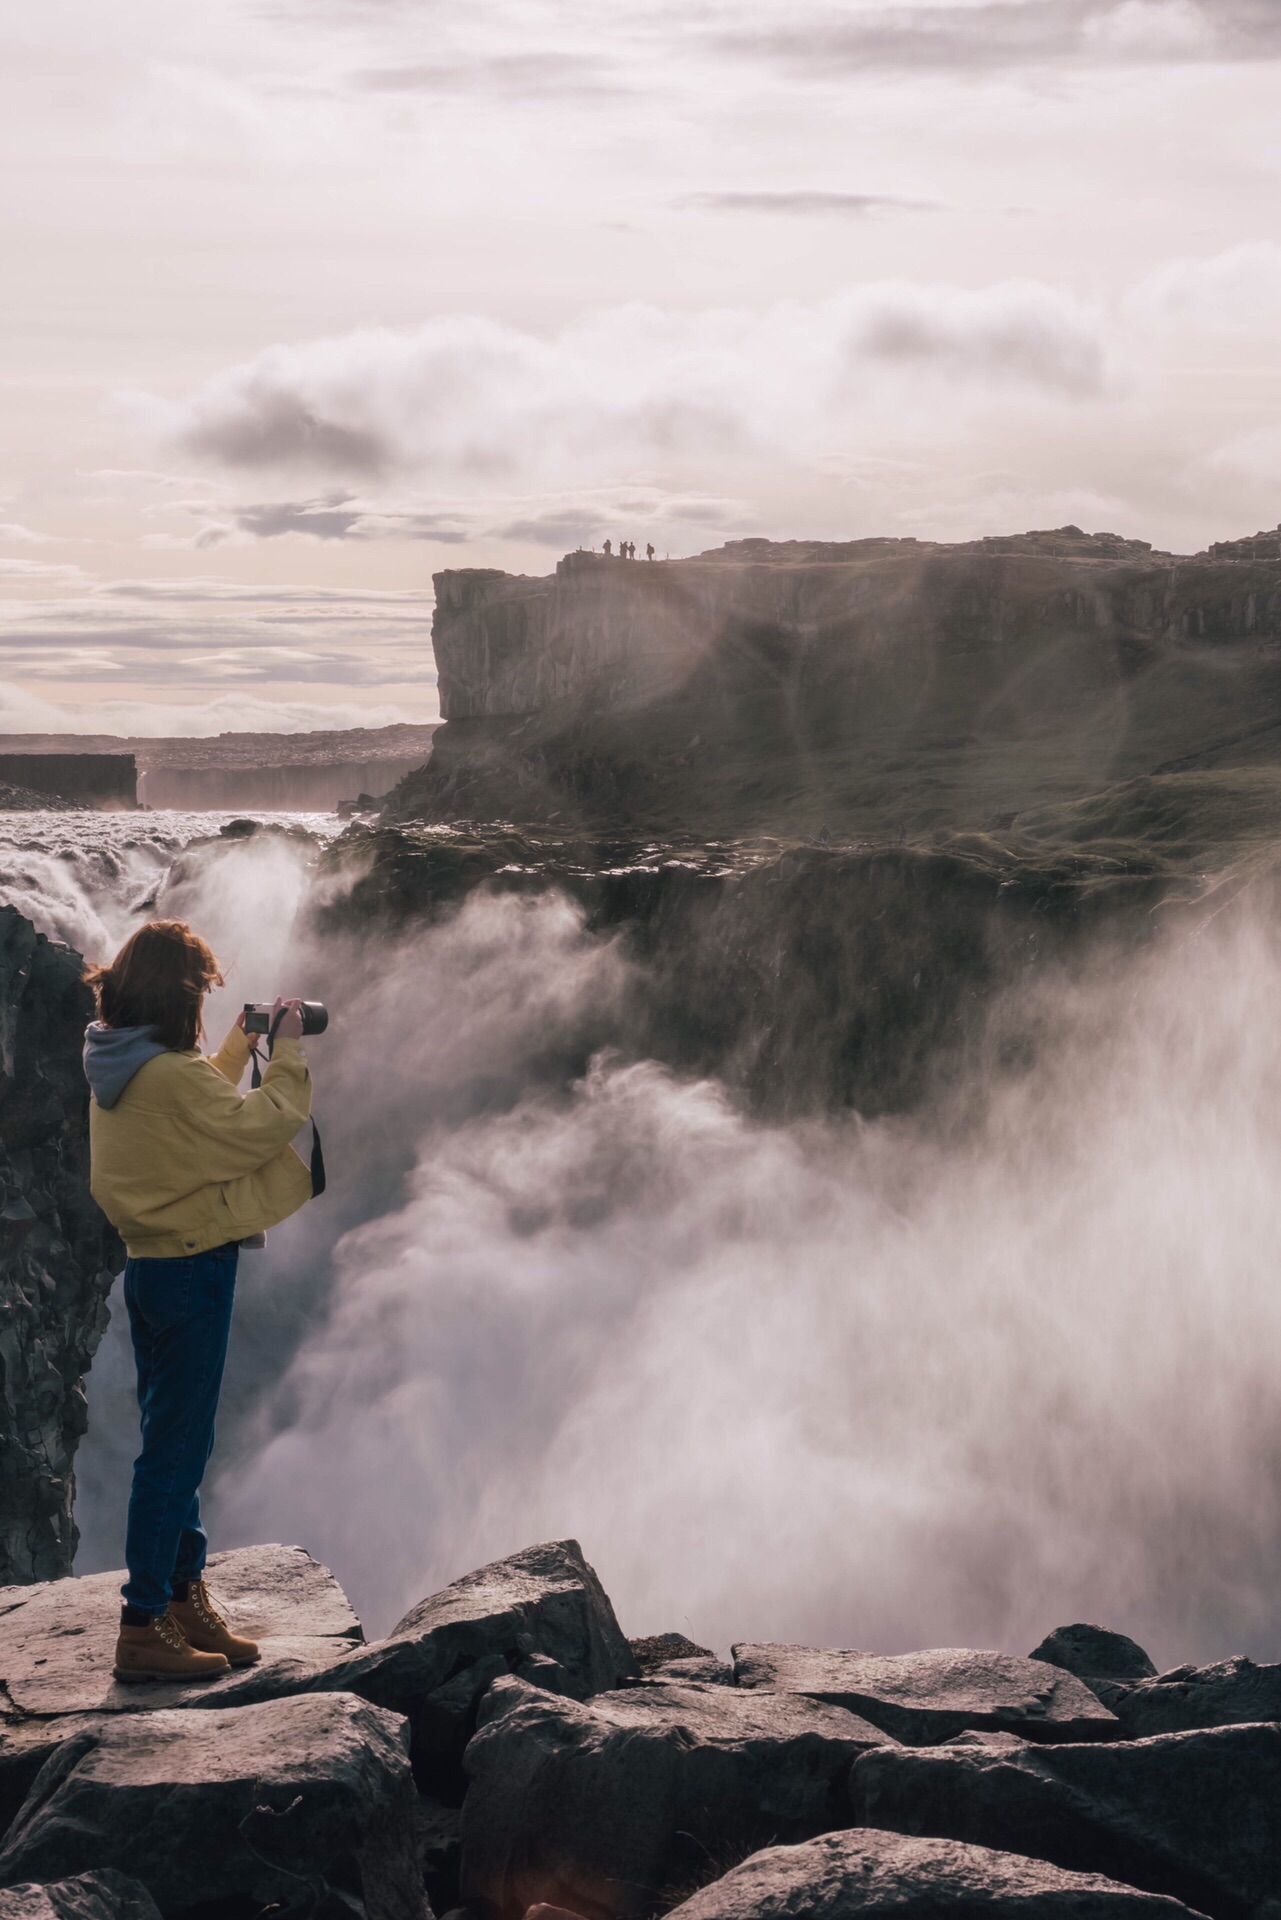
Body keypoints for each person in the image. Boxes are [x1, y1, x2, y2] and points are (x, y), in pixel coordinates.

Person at [83, 921, 317, 1682]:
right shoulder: (166, 1076)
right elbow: (263, 1126)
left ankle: (182, 1596)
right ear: (179, 994)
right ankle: (145, 1622)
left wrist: (237, 1046)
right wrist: (285, 1045)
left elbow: (193, 1098)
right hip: (191, 1270)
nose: (203, 1006)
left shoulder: (121, 1063)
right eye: (200, 993)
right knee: (174, 1453)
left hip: (153, 1268)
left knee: (175, 1442)